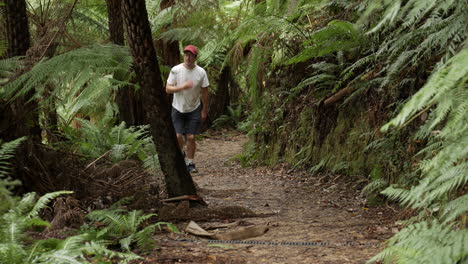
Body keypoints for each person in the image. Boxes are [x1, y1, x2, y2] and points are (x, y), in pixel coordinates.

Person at [166, 45, 209, 173]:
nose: (188, 57)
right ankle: (181, 155)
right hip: (177, 107)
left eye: (190, 55)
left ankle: (190, 163)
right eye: (186, 54)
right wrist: (182, 87)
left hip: (194, 108)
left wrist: (204, 110)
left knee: (191, 137)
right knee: (178, 136)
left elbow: (205, 92)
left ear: (195, 57)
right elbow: (168, 89)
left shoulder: (201, 72)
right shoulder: (175, 70)